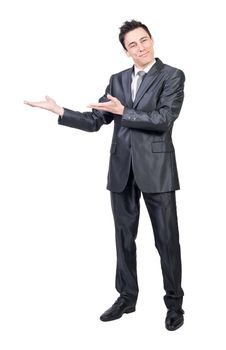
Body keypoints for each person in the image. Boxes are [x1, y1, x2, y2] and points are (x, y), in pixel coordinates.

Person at [24, 20, 185, 331]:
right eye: (133, 45)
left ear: (152, 39)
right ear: (126, 52)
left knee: (167, 241)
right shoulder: (118, 80)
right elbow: (97, 119)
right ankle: (127, 297)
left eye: (144, 40)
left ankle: (174, 303)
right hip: (121, 170)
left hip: (157, 171)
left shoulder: (172, 76)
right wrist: (60, 111)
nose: (142, 48)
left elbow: (164, 119)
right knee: (124, 239)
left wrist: (125, 112)